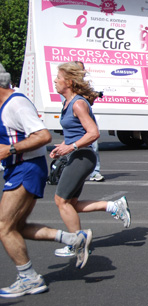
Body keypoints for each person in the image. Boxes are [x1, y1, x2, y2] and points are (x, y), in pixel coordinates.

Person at [0, 63, 92, 298]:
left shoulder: (17, 104)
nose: (55, 80)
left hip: (31, 167)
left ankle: (29, 278)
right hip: (21, 167)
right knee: (16, 227)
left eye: (59, 77)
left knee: (4, 226)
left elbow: (44, 135)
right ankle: (73, 238)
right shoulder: (6, 104)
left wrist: (10, 149)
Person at [50, 62, 131, 260]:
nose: (55, 81)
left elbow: (93, 132)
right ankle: (114, 207)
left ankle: (77, 244)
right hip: (76, 155)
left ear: (68, 82)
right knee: (72, 203)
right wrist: (62, 147)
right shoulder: (68, 103)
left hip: (82, 157)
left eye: (58, 78)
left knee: (61, 201)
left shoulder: (78, 103)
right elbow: (75, 133)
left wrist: (70, 147)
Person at [73, 61, 104, 182]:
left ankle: (95, 172)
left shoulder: (86, 86)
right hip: (75, 120)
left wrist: (93, 96)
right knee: (72, 146)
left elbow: (89, 102)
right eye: (81, 70)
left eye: (83, 69)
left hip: (87, 117)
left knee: (93, 145)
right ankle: (66, 170)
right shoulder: (68, 85)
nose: (83, 72)